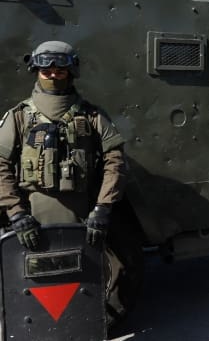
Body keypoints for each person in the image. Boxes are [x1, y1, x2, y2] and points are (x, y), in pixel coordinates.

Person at [0, 40, 127, 251]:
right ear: (37, 72)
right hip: (30, 214)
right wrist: (16, 213)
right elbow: (1, 164)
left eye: (60, 72)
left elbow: (115, 162)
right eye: (46, 71)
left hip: (83, 214)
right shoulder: (19, 116)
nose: (52, 76)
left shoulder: (91, 115)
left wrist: (102, 208)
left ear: (71, 73)